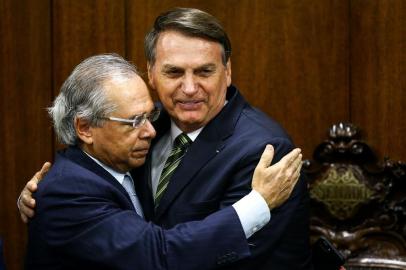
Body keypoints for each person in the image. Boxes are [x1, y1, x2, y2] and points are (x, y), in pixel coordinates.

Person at [20, 8, 311, 269]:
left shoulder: (265, 151)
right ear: (151, 73)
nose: (189, 88)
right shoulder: (146, 124)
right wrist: (41, 195)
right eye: (173, 72)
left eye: (204, 72)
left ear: (228, 71)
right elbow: (90, 172)